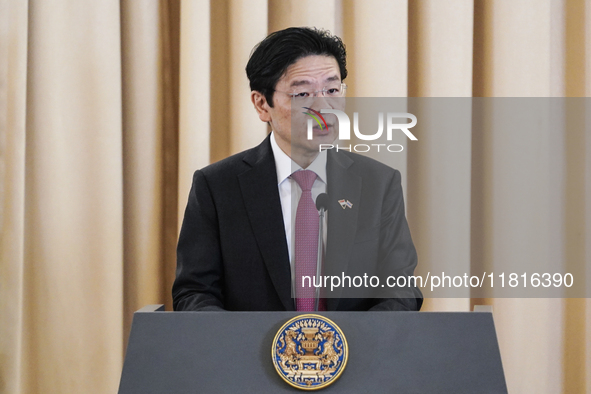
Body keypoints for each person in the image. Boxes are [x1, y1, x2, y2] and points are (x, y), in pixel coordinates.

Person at [172, 27, 422, 312]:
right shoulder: (217, 187)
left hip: (355, 353)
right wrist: (238, 347)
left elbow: (401, 289)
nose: (323, 106)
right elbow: (194, 292)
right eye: (302, 93)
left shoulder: (378, 182)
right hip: (249, 354)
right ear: (262, 104)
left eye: (332, 89)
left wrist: (355, 346)